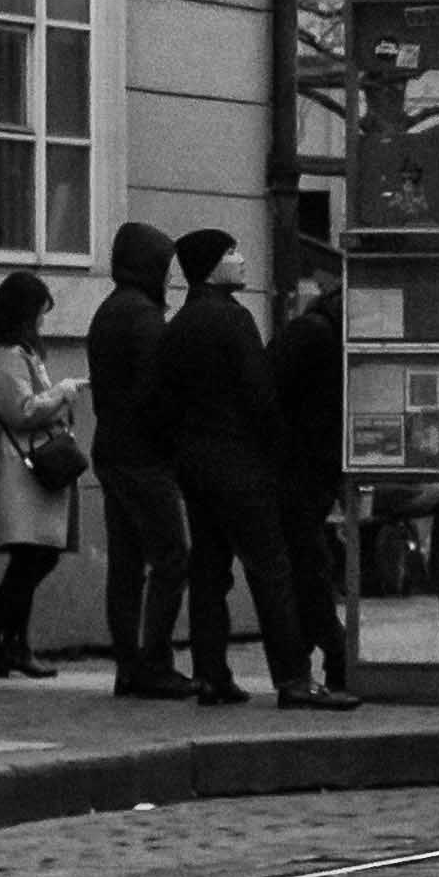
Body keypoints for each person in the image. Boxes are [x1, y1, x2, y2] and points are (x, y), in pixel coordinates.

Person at [161, 227, 354, 711]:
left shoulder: (180, 324)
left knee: (209, 569)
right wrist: (276, 452)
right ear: (210, 264)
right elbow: (261, 394)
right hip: (239, 463)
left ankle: (211, 674)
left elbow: (161, 399)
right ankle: (293, 679)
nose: (242, 259)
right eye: (231, 252)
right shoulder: (233, 319)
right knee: (272, 570)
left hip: (194, 462)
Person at [86, 220, 190, 699]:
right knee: (171, 557)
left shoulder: (107, 312)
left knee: (125, 566)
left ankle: (128, 664)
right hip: (144, 457)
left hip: (111, 449)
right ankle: (154, 661)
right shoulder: (145, 317)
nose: (168, 277)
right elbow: (160, 387)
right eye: (163, 266)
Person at [0, 270, 81, 678]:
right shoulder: (6, 357)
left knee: (32, 556)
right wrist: (62, 392)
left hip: (21, 471)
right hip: (16, 472)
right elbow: (22, 411)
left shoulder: (13, 354)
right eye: (38, 315)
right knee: (35, 556)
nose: (41, 324)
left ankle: (10, 643)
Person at [271, 258, 353, 695]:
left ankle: (304, 667)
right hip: (300, 468)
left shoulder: (315, 331)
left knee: (309, 566)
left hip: (306, 467)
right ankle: (336, 654)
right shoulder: (319, 335)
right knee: (312, 567)